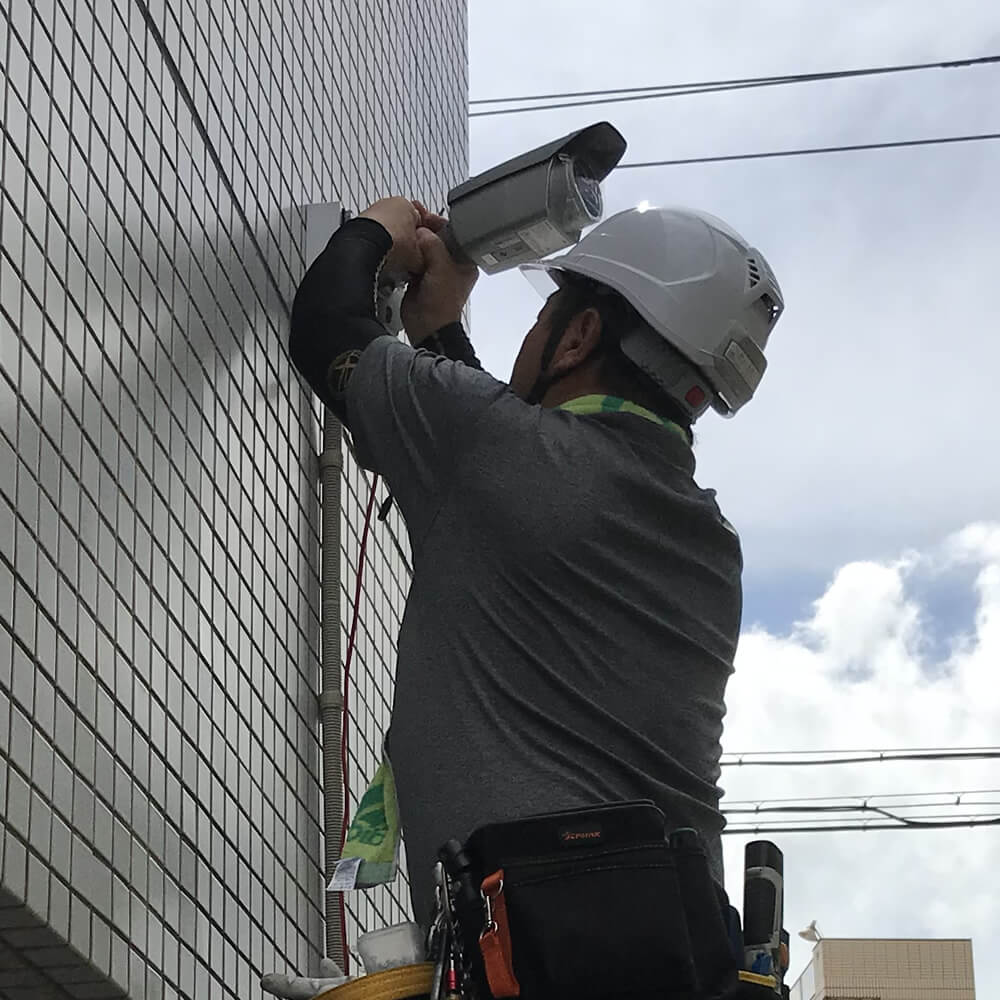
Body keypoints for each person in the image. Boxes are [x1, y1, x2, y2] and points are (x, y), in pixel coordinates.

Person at [289, 196, 784, 925]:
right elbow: (505, 475)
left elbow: (325, 330)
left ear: (579, 335)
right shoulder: (707, 539)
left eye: (543, 318)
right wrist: (441, 329)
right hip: (673, 946)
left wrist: (374, 232)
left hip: (541, 949)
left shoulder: (497, 455)